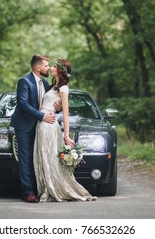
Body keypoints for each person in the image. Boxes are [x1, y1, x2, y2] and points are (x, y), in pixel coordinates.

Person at [33, 59, 97, 202]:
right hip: (41, 123)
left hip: (49, 125)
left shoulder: (63, 89)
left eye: (54, 66)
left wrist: (66, 136)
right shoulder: (51, 87)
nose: (51, 68)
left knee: (49, 155)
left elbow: (66, 113)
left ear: (61, 70)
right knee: (43, 155)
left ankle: (53, 188)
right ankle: (45, 187)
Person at [10, 55, 57, 203]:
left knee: (38, 156)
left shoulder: (45, 82)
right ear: (38, 67)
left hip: (40, 127)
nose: (48, 68)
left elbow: (48, 104)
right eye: (46, 65)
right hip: (24, 126)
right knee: (26, 158)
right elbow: (23, 104)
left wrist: (58, 108)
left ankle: (39, 188)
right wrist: (42, 116)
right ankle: (28, 192)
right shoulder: (24, 81)